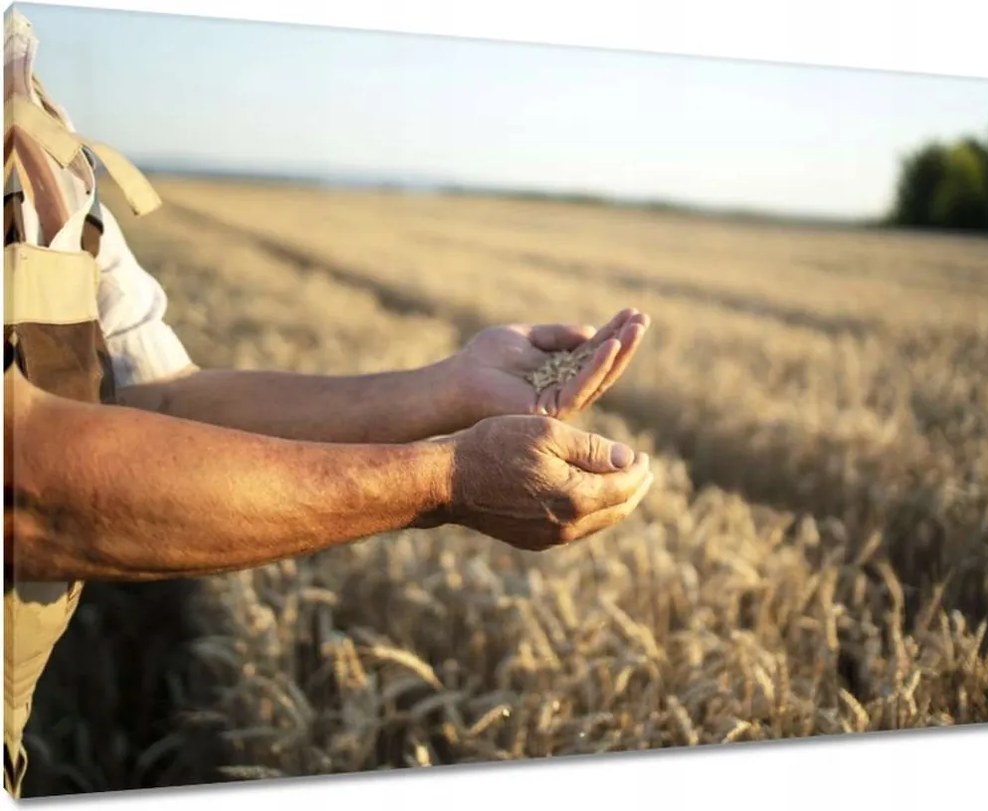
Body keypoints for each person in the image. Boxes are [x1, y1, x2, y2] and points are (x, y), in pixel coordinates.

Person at [2, 7, 653, 797]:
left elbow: (158, 399)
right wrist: (445, 482)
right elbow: (21, 486)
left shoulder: (34, 112)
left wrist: (448, 388)